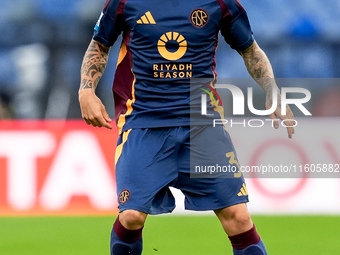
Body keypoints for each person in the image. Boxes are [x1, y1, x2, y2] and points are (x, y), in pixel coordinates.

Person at [78, 0, 295, 254]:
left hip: (202, 124)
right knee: (131, 217)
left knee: (238, 218)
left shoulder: (220, 3)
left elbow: (250, 50)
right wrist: (86, 90)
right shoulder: (125, 2)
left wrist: (271, 89)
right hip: (144, 122)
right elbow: (99, 45)